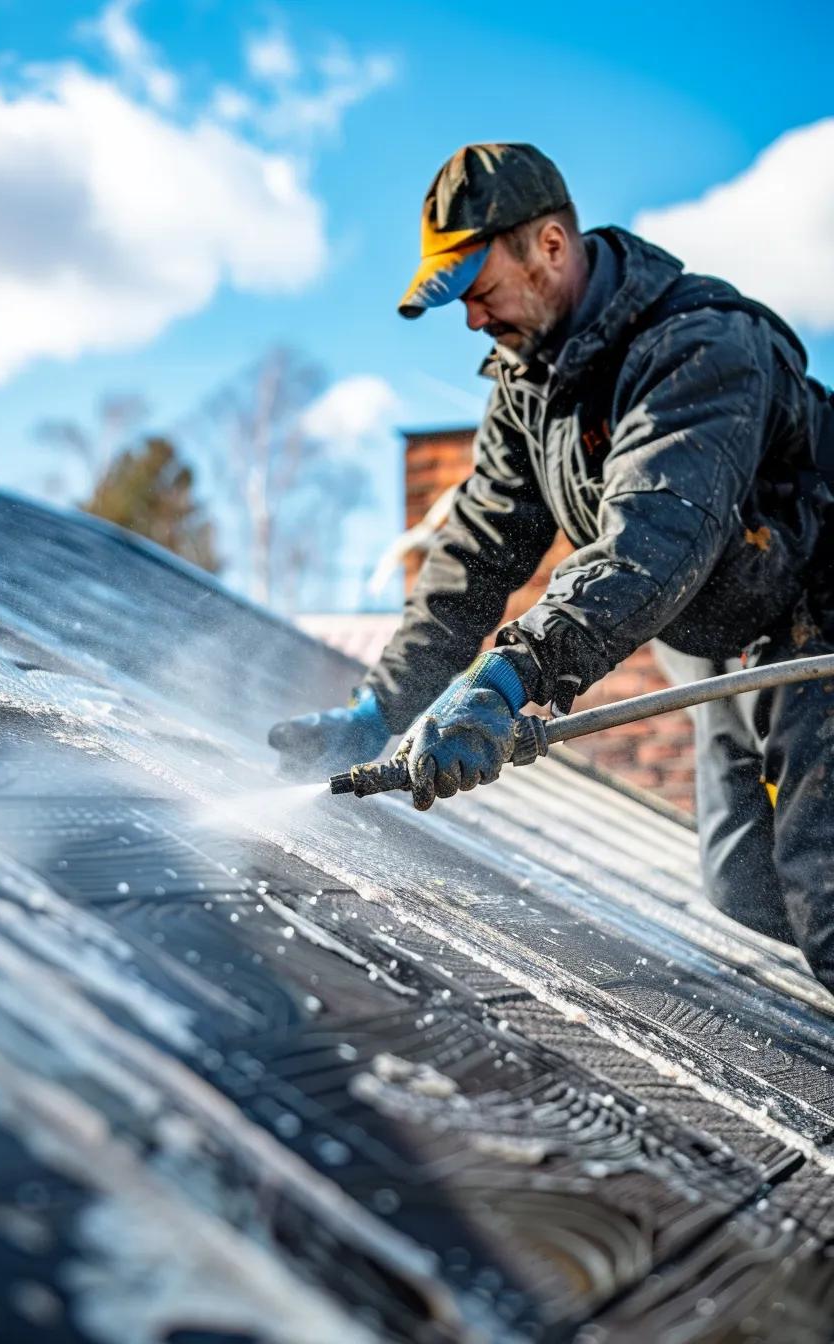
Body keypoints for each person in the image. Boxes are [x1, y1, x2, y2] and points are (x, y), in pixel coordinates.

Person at [269, 142, 834, 983]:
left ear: (552, 247)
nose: (471, 319)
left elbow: (652, 540)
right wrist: (379, 708)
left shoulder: (701, 345)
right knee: (741, 881)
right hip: (726, 632)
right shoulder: (529, 387)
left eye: (479, 289)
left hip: (815, 610)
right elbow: (475, 554)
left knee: (825, 890)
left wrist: (511, 676)